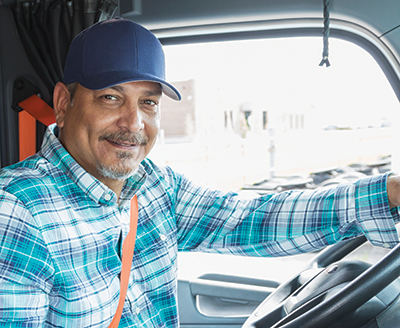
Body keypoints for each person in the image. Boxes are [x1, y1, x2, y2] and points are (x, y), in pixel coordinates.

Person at [0, 17, 400, 327]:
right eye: (110, 97)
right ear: (64, 102)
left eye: (149, 103)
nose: (134, 123)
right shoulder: (16, 211)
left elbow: (248, 220)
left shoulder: (152, 185)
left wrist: (387, 195)